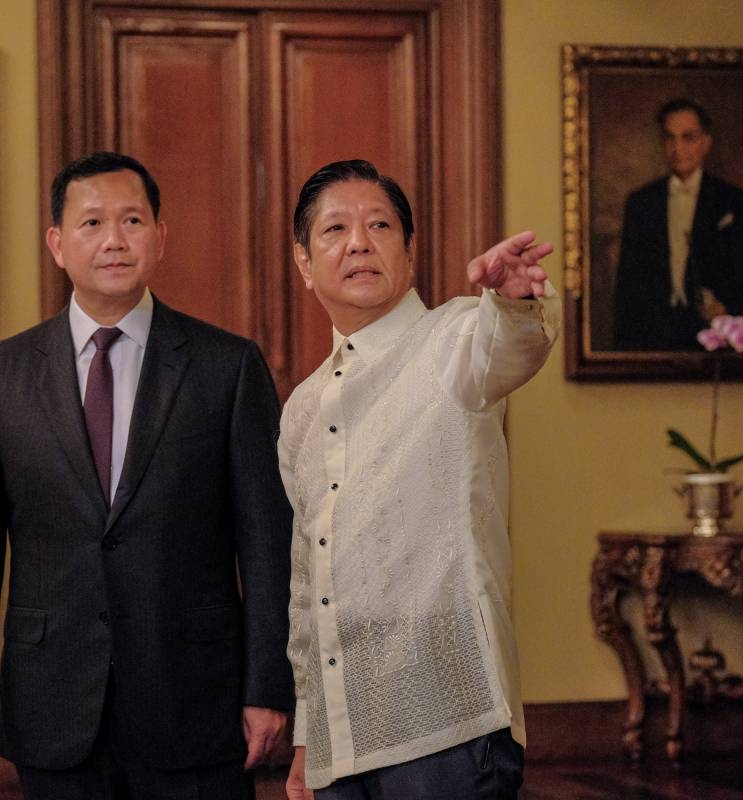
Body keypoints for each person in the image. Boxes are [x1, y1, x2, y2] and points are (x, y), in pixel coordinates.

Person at [0, 151, 293, 800]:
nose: (113, 240)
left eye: (131, 220)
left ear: (160, 237)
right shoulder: (1, 374)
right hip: (53, 703)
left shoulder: (227, 367)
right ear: (57, 243)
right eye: (92, 222)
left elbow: (268, 544)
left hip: (196, 702)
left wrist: (269, 687)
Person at [280, 160, 559, 799]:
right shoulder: (301, 407)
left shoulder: (455, 339)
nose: (358, 242)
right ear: (304, 262)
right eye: (335, 229)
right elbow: (305, 577)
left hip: (450, 727)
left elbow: (510, 343)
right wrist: (306, 732)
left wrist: (513, 299)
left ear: (409, 252)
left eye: (379, 225)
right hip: (339, 735)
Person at [613, 98, 743, 350]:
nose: (678, 148)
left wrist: (726, 307)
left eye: (688, 137)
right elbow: (628, 283)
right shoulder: (641, 202)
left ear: (706, 143)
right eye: (670, 138)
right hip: (652, 335)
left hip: (712, 335)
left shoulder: (734, 201)